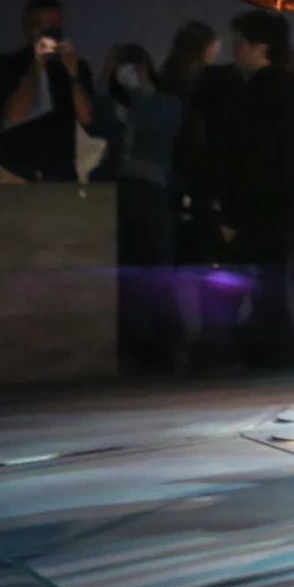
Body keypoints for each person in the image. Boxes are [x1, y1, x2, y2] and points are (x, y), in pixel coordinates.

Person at [195, 9, 294, 367]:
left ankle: (232, 358)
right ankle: (273, 359)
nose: (235, 51)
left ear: (258, 47)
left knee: (239, 284)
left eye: (240, 43)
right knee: (268, 287)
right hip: (285, 203)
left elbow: (247, 155)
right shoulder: (286, 85)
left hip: (260, 206)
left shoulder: (256, 90)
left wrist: (230, 210)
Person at [102, 40, 188, 370]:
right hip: (117, 188)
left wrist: (142, 90)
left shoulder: (165, 103)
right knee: (122, 272)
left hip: (151, 191)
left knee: (155, 268)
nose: (129, 75)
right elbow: (98, 124)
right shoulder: (115, 103)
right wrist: (105, 77)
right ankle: (129, 343)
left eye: (136, 67)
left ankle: (166, 345)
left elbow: (155, 128)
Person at [0, 0, 96, 182]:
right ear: (27, 29)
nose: (47, 32)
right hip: (14, 170)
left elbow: (87, 117)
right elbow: (13, 114)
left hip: (58, 172)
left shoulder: (74, 66)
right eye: (40, 26)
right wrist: (36, 67)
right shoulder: (6, 64)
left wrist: (72, 74)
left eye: (53, 26)